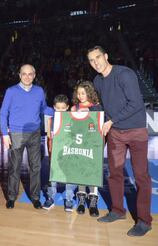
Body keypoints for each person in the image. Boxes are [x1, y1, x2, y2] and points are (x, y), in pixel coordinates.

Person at [87, 46, 152, 236]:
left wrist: (112, 120)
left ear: (106, 56)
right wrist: (84, 113)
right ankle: (117, 210)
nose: (96, 62)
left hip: (136, 131)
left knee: (141, 176)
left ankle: (144, 221)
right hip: (115, 133)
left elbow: (136, 103)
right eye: (91, 60)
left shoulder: (125, 74)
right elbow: (104, 106)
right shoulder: (97, 80)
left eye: (98, 57)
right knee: (114, 173)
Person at [0, 64, 53, 209]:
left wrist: (60, 111)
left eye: (30, 74)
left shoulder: (39, 91)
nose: (27, 76)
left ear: (34, 75)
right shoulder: (11, 91)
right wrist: (5, 134)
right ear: (19, 75)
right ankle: (11, 197)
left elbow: (44, 109)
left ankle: (35, 197)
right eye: (24, 74)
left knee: (36, 167)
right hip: (16, 134)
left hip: (35, 133)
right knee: (15, 167)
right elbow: (3, 113)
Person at [70, 80, 102, 217]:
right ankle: (82, 200)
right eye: (78, 93)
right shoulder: (74, 108)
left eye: (83, 93)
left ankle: (93, 201)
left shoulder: (97, 106)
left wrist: (89, 110)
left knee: (92, 171)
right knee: (80, 171)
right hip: (79, 144)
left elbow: (101, 118)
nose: (80, 96)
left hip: (93, 144)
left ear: (89, 93)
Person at [43, 94, 77, 212]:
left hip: (68, 155)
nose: (61, 111)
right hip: (55, 156)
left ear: (67, 107)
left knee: (69, 177)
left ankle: (69, 199)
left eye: (63, 108)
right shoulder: (50, 120)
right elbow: (48, 137)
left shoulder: (72, 120)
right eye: (58, 108)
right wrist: (51, 153)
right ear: (54, 107)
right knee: (53, 177)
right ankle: (50, 198)